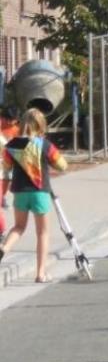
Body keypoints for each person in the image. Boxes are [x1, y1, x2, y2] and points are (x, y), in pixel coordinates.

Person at [0, 108, 67, 282]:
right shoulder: (44, 144)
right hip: (40, 192)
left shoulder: (13, 144)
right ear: (41, 125)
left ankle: (4, 248)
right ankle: (40, 273)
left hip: (20, 192)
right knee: (43, 233)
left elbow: (6, 167)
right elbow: (62, 165)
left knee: (19, 227)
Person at [0, 105, 20, 209]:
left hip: (8, 160)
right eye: (6, 119)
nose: (9, 122)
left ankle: (2, 196)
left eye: (12, 120)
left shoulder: (16, 130)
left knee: (6, 178)